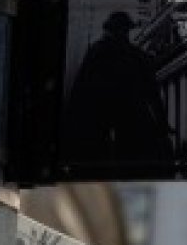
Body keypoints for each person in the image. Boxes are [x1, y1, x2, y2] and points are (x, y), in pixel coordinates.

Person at [62, 11, 177, 174]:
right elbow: (153, 94)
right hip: (126, 122)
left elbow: (81, 89)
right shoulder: (137, 56)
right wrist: (162, 123)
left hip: (105, 122)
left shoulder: (98, 52)